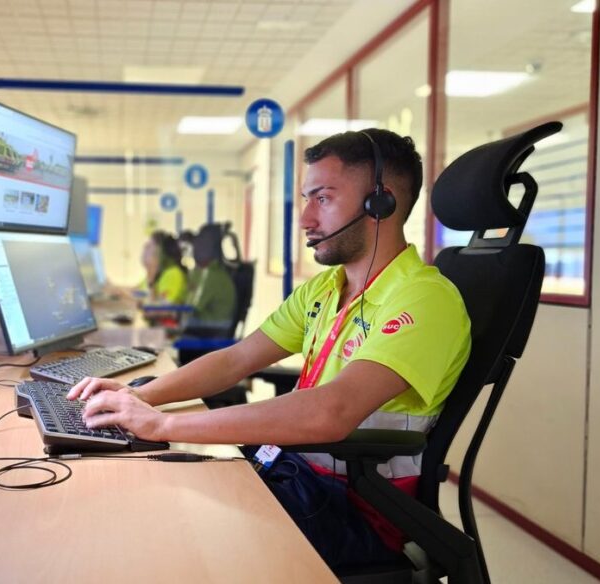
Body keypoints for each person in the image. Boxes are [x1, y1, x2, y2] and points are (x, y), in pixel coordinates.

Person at [68, 129, 471, 570]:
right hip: (298, 476)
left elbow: (330, 412)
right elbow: (237, 359)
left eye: (322, 198)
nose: (304, 218)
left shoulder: (425, 299)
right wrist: (140, 398)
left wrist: (162, 423)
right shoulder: (325, 288)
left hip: (356, 514)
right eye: (305, 198)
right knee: (149, 491)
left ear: (381, 201)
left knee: (168, 534)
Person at [140, 230, 188, 304]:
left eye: (149, 246)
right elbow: (138, 297)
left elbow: (160, 309)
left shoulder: (172, 274)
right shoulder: (154, 275)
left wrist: (151, 282)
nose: (144, 248)